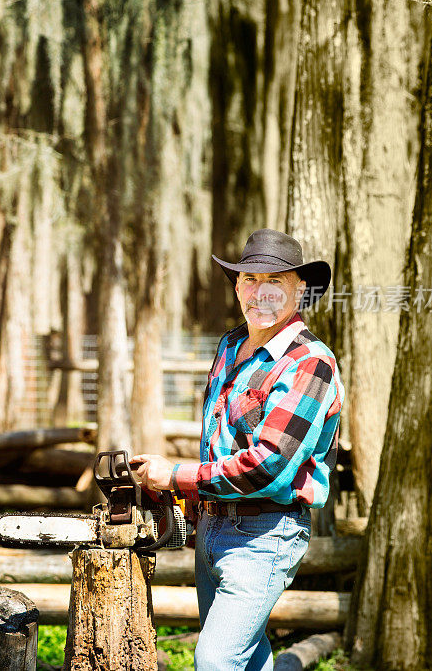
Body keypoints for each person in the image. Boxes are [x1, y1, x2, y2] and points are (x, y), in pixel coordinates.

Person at [130, 228, 344, 671]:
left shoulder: (310, 362)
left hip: (267, 532)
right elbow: (218, 441)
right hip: (213, 529)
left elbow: (271, 466)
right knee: (247, 660)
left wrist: (176, 476)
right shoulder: (229, 346)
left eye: (276, 283)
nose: (260, 293)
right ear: (236, 286)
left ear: (300, 290)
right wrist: (182, 499)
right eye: (249, 280)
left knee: (216, 659)